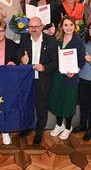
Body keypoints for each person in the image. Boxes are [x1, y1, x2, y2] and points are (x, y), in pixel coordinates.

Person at [16, 17, 58, 145]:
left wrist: (44, 67)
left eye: (36, 27)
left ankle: (38, 132)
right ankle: (27, 128)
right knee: (27, 106)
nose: (33, 29)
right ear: (28, 28)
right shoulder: (24, 38)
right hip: (27, 81)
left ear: (41, 27)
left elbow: (55, 62)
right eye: (31, 27)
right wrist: (22, 59)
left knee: (41, 108)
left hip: (42, 80)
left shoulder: (50, 40)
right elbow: (17, 53)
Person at [47, 16, 86, 140]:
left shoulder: (78, 41)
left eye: (71, 25)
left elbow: (81, 60)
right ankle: (59, 124)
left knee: (68, 102)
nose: (69, 28)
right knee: (57, 100)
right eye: (66, 25)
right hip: (57, 76)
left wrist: (76, 71)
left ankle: (68, 127)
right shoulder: (57, 39)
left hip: (71, 77)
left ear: (74, 26)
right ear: (61, 27)